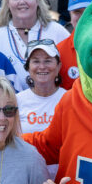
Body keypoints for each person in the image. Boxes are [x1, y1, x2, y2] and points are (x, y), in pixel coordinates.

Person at [0, 0, 71, 89]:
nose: (22, 2)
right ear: (8, 3)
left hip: (54, 104)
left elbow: (73, 73)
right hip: (12, 106)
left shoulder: (58, 32)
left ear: (38, 0)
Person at [16, 40, 68, 176]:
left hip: (63, 180)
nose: (42, 66)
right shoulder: (16, 101)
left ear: (58, 66)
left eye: (48, 60)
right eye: (36, 61)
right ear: (28, 67)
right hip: (26, 179)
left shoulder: (70, 99)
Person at [55, 0, 92, 89]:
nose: (82, 17)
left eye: (87, 11)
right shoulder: (59, 52)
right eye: (77, 12)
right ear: (70, 14)